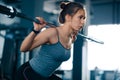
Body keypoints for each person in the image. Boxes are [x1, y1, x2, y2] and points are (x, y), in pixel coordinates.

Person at [15, 1, 86, 80]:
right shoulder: (52, 33)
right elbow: (23, 49)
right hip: (29, 73)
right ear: (68, 17)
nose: (83, 22)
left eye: (84, 18)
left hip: (46, 77)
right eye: (80, 17)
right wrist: (35, 30)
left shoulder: (72, 38)